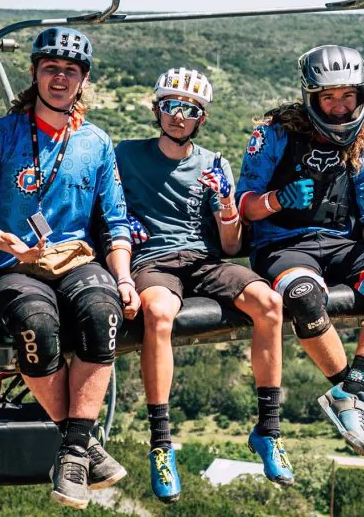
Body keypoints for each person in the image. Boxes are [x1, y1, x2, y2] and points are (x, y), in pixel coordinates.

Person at [0, 27, 140, 509]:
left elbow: (116, 222)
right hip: (15, 262)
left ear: (83, 80)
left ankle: (73, 450)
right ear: (35, 73)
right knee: (37, 324)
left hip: (75, 259)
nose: (60, 78)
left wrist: (122, 276)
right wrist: (8, 243)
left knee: (102, 314)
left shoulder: (96, 143)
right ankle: (80, 442)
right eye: (51, 69)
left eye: (71, 71)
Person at [115, 67, 293, 503]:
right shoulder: (126, 155)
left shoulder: (214, 164)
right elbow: (105, 206)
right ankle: (161, 444)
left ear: (201, 117)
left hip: (202, 259)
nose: (179, 116)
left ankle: (268, 430)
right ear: (157, 110)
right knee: (158, 313)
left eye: (189, 110)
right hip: (153, 259)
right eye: (172, 106)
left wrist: (227, 206)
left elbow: (230, 246)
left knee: (269, 302)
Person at [237, 45, 364, 457]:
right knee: (304, 296)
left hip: (342, 246)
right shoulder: (273, 135)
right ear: (311, 98)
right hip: (283, 246)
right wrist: (277, 201)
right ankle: (352, 400)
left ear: (361, 96)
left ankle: (351, 391)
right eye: (329, 97)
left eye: (348, 96)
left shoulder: (361, 148)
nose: (340, 107)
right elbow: (243, 207)